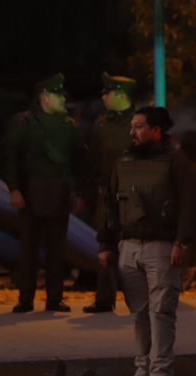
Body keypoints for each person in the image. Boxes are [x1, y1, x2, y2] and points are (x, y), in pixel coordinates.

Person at [97, 107, 196, 376]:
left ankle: (161, 375)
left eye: (139, 126)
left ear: (156, 131)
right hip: (128, 247)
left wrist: (181, 242)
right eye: (132, 126)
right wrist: (106, 244)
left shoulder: (176, 161)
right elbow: (109, 205)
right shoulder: (124, 160)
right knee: (139, 315)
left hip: (162, 248)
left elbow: (190, 205)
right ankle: (143, 371)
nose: (133, 131)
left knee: (162, 313)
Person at [3, 73, 88, 313]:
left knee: (56, 249)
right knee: (28, 249)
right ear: (44, 97)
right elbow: (9, 157)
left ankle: (54, 299)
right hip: (28, 192)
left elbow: (80, 161)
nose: (63, 99)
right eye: (58, 95)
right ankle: (26, 299)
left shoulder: (69, 125)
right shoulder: (23, 122)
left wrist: (79, 193)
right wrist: (14, 189)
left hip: (59, 192)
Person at [83, 72, 137, 314]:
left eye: (108, 92)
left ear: (122, 95)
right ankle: (104, 299)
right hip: (107, 193)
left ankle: (137, 298)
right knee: (105, 244)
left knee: (135, 245)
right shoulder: (101, 125)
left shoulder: (139, 122)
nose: (103, 96)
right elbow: (94, 160)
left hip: (135, 193)